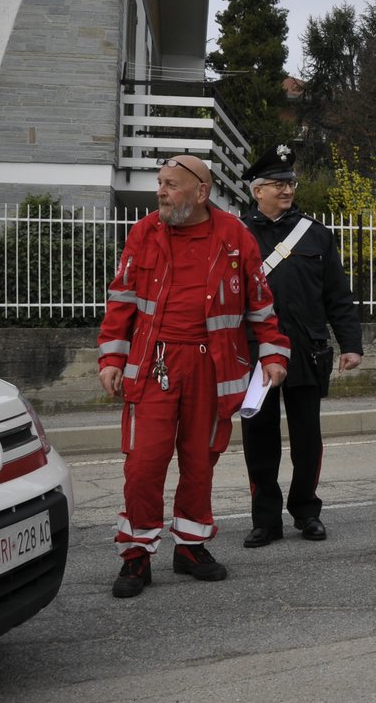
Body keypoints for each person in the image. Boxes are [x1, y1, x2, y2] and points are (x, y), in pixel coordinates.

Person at [97, 153, 289, 598]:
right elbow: (121, 300)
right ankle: (136, 555)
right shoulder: (144, 232)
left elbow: (260, 305)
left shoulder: (235, 236)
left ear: (201, 192)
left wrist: (274, 354)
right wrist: (111, 359)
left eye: (170, 184)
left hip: (212, 369)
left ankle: (190, 547)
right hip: (154, 367)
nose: (160, 191)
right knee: (143, 466)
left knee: (200, 464)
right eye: (160, 183)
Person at [238, 143, 363, 547]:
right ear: (257, 191)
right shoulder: (237, 234)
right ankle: (265, 520)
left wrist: (350, 343)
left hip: (307, 352)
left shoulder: (316, 234)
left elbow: (337, 296)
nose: (287, 190)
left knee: (308, 440)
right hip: (255, 354)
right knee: (260, 441)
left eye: (290, 183)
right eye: (277, 184)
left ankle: (307, 511)